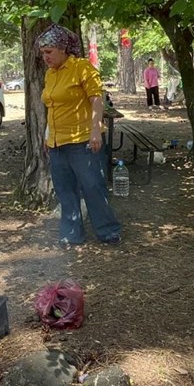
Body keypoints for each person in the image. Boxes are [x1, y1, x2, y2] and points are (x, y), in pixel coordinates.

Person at [40, 24, 122, 246]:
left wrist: (96, 131)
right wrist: (48, 136)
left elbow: (96, 98)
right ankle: (72, 233)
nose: (45, 57)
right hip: (57, 142)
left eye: (49, 52)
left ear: (63, 48)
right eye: (43, 53)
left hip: (83, 140)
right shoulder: (50, 74)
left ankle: (107, 231)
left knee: (93, 186)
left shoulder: (82, 67)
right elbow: (52, 107)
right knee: (65, 190)